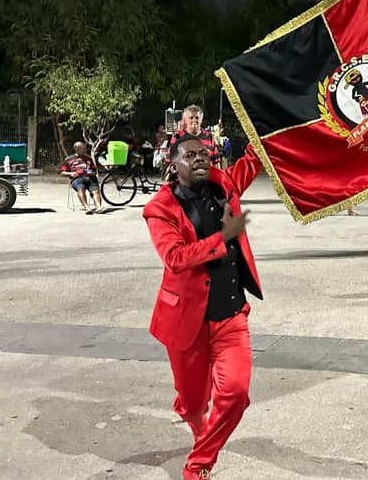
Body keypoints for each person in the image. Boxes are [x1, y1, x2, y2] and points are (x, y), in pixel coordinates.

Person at [143, 134, 263, 480]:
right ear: (173, 164)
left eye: (205, 154)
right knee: (195, 404)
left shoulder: (224, 184)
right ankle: (196, 420)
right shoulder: (160, 209)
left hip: (230, 315)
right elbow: (175, 258)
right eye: (191, 155)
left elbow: (255, 158)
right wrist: (223, 238)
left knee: (236, 394)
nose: (200, 159)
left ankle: (198, 464)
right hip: (186, 322)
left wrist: (264, 116)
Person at [60, 142, 105, 214]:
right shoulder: (68, 159)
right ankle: (87, 207)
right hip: (77, 178)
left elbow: (94, 170)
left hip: (90, 177)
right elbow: (62, 173)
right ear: (76, 149)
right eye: (83, 148)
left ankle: (99, 207)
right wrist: (71, 173)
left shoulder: (88, 159)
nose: (85, 150)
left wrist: (92, 172)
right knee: (81, 189)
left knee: (95, 191)